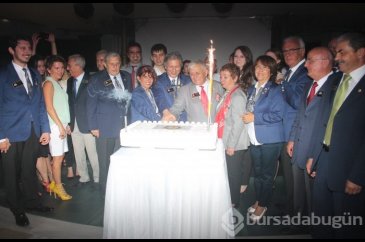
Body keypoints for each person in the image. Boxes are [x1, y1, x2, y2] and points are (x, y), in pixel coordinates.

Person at [310, 33, 365, 239]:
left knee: (346, 224)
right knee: (321, 220)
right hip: (324, 160)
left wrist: (358, 175)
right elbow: (324, 121)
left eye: (342, 52)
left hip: (350, 168)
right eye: (336, 52)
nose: (337, 57)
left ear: (361, 53)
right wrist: (313, 157)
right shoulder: (335, 80)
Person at [0, 35, 52, 227]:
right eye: (21, 47)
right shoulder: (3, 75)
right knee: (11, 173)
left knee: (29, 169)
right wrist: (0, 137)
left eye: (28, 47)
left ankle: (32, 202)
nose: (26, 51)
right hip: (9, 133)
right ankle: (16, 209)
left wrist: (45, 129)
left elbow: (39, 105)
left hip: (32, 131)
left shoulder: (34, 74)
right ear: (11, 51)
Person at [287, 47, 340, 216]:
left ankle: (313, 226)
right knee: (298, 192)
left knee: (315, 198)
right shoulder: (309, 84)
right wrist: (292, 139)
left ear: (325, 63)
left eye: (310, 60)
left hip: (315, 151)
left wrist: (318, 156)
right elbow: (300, 115)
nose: (306, 65)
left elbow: (329, 126)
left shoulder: (336, 86)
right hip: (298, 147)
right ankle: (297, 221)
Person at [242, 55, 286, 222]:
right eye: (257, 67)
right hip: (254, 138)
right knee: (258, 173)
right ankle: (260, 199)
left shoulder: (275, 90)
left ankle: (263, 204)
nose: (259, 70)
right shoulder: (253, 89)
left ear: (271, 70)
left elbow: (278, 115)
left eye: (264, 67)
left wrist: (255, 118)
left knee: (267, 175)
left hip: (270, 140)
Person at [87, 52, 132, 195]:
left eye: (117, 63)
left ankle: (118, 187)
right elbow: (90, 104)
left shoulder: (125, 76)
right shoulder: (96, 79)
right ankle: (105, 190)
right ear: (105, 64)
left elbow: (129, 100)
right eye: (111, 63)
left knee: (120, 158)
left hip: (123, 126)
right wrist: (93, 126)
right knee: (105, 160)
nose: (115, 66)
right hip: (104, 126)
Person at [279, 36, 312, 216]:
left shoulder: (304, 73)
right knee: (289, 178)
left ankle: (297, 216)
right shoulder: (290, 72)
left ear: (302, 51)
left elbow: (297, 101)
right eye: (285, 51)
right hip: (285, 131)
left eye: (292, 50)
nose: (288, 54)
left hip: (295, 132)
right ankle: (290, 208)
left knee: (296, 179)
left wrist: (283, 84)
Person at [215, 63, 250, 208]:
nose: (221, 79)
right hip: (227, 139)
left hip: (234, 143)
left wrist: (231, 145)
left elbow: (238, 123)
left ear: (235, 78)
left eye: (226, 77)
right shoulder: (228, 93)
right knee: (229, 172)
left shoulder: (238, 96)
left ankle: (234, 202)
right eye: (221, 76)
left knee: (234, 174)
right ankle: (230, 198)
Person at [67, 54, 99, 187]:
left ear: (78, 66)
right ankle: (84, 178)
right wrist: (69, 123)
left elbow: (96, 103)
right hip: (74, 123)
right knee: (78, 152)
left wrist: (95, 124)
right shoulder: (70, 81)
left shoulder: (92, 79)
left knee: (93, 153)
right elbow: (70, 103)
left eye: (70, 65)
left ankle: (97, 178)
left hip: (88, 123)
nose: (68, 68)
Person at [43, 55, 72, 201]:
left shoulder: (57, 83)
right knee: (58, 158)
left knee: (59, 157)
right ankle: (59, 187)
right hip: (55, 127)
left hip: (60, 125)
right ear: (49, 70)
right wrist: (60, 126)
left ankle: (55, 183)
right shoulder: (49, 84)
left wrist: (66, 125)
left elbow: (61, 107)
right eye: (56, 68)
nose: (60, 71)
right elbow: (49, 107)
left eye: (62, 67)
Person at [153, 51, 191, 121]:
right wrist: (165, 112)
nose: (174, 70)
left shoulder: (188, 80)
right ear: (165, 66)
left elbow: (195, 96)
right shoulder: (158, 81)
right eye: (171, 67)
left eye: (177, 67)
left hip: (186, 119)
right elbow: (159, 98)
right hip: (168, 118)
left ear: (181, 66)